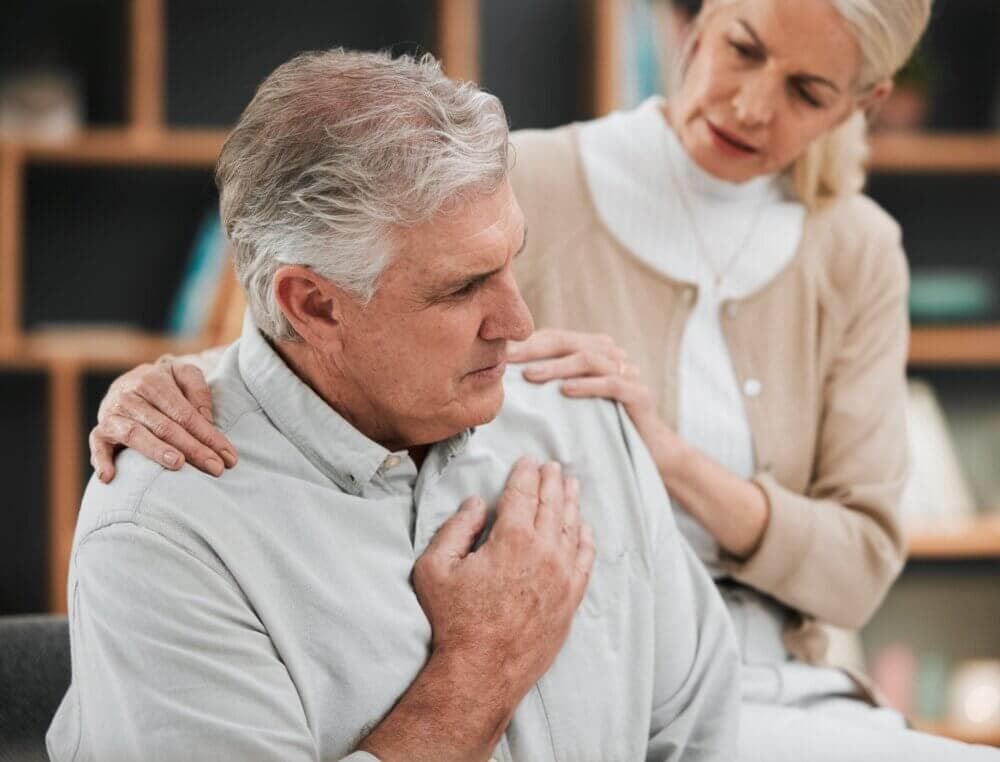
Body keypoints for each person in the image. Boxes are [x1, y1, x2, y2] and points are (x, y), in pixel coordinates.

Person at [48, 49, 740, 761]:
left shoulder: (582, 412)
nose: (519, 322)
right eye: (462, 289)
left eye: (511, 261)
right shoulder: (161, 535)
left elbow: (701, 732)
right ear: (314, 305)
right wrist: (481, 668)